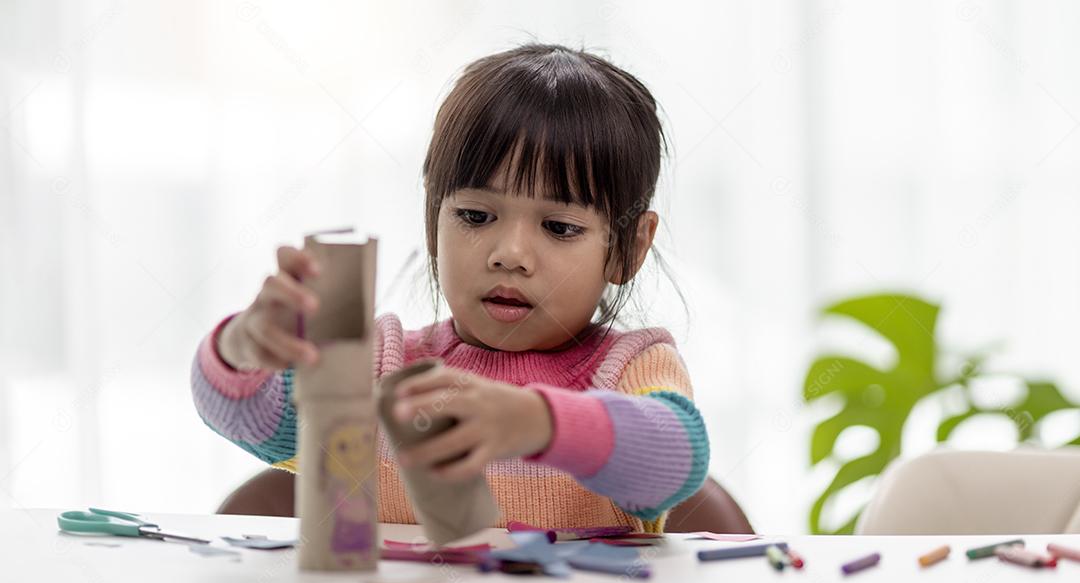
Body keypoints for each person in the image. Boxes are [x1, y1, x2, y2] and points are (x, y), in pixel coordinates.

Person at [191, 43, 709, 533]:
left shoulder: (631, 368)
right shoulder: (376, 368)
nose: (509, 254)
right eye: (475, 216)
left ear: (628, 248)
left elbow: (675, 458)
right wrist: (245, 346)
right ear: (433, 220)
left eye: (559, 227)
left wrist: (538, 422)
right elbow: (245, 414)